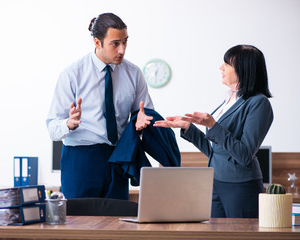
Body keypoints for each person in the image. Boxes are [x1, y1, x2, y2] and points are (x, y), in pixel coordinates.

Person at [154, 45, 273, 218]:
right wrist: (188, 128)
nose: (221, 67)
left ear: (243, 69)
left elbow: (245, 154)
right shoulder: (230, 99)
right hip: (215, 181)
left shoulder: (258, 103)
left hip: (240, 185)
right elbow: (215, 152)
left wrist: (213, 125)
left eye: (227, 64)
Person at [46, 13, 154, 200]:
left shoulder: (134, 74)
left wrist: (142, 121)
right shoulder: (72, 74)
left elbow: (145, 114)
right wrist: (69, 124)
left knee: (117, 223)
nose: (122, 50)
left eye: (125, 42)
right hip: (81, 158)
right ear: (97, 43)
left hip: (118, 158)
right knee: (79, 224)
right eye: (115, 43)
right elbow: (52, 129)